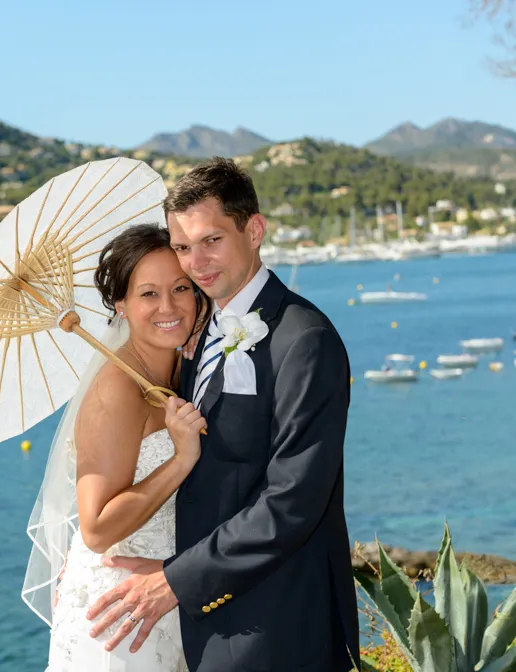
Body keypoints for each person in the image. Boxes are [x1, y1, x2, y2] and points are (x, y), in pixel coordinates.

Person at [85, 158, 361, 671]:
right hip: (208, 625)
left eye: (211, 240)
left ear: (254, 230)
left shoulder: (304, 339)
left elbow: (292, 502)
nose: (195, 263)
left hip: (276, 629)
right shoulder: (199, 328)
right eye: (183, 247)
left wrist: (174, 580)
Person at [22, 223, 212, 671]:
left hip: (166, 592)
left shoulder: (178, 373)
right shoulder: (116, 391)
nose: (168, 306)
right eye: (148, 294)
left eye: (180, 288)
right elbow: (97, 527)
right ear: (121, 305)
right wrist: (182, 459)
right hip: (121, 614)